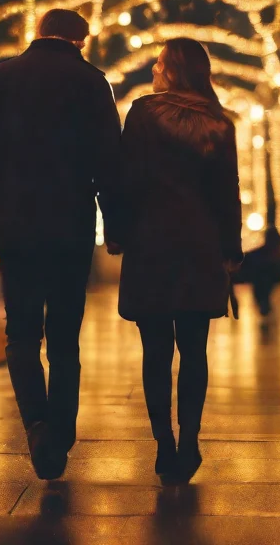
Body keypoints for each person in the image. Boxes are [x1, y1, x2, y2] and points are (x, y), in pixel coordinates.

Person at [0, 8, 121, 481]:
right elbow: (108, 160)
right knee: (65, 337)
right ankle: (61, 432)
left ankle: (36, 424)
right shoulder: (92, 83)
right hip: (70, 226)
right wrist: (114, 223)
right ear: (80, 41)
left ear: (38, 34)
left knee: (22, 334)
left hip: (16, 225)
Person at [109, 38, 242, 484]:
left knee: (156, 351)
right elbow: (227, 192)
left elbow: (123, 180)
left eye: (159, 63)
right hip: (199, 242)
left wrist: (118, 233)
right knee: (194, 349)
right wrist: (231, 248)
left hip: (151, 241)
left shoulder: (144, 114)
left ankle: (163, 443)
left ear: (171, 71)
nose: (153, 70)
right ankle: (190, 439)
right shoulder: (219, 122)